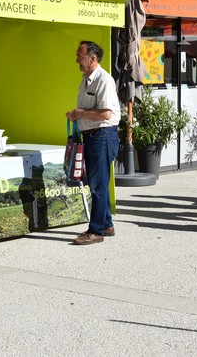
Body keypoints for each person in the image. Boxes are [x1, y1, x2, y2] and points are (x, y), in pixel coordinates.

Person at [66, 41, 120, 246]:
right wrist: (77, 116)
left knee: (98, 185)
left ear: (92, 58)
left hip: (103, 135)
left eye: (80, 55)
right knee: (98, 182)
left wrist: (80, 114)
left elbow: (106, 113)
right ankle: (106, 223)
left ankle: (96, 230)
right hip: (92, 136)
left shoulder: (104, 80)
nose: (77, 59)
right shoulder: (85, 79)